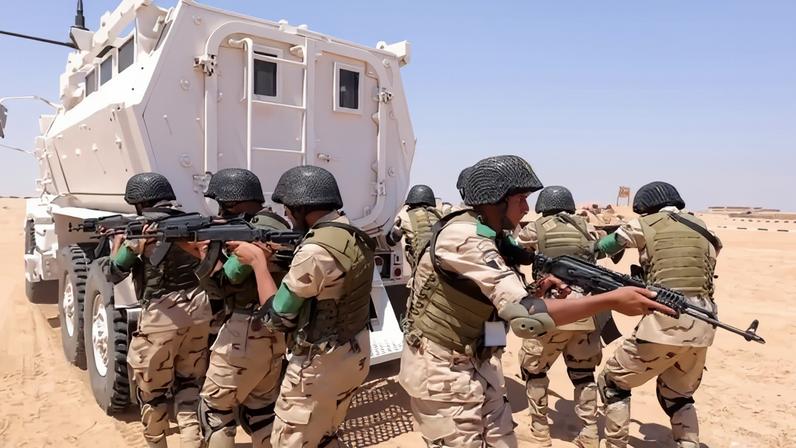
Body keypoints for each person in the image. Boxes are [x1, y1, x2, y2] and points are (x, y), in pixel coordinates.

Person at [398, 155, 673, 448]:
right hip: (442, 368)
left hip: (477, 359)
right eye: (521, 199)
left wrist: (535, 287)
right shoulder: (466, 237)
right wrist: (612, 300)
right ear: (495, 200)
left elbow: (492, 291)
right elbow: (526, 318)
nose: (527, 208)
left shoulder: (491, 234)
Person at [238, 165, 375, 447]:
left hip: (318, 367)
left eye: (289, 209)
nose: (286, 215)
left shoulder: (314, 251)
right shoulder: (351, 233)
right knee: (325, 435)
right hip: (352, 356)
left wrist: (257, 262)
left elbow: (276, 318)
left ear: (302, 207)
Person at [593, 181, 722, 448]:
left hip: (665, 321)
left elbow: (605, 246)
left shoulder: (644, 224)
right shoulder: (703, 228)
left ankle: (615, 443)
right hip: (705, 322)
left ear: (645, 207)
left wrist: (597, 240)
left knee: (614, 381)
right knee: (678, 394)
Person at [108, 172, 212, 448]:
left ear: (140, 203)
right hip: (199, 310)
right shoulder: (194, 221)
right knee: (189, 387)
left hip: (161, 315)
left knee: (152, 393)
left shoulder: (143, 228)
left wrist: (119, 241)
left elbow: (114, 272)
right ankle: (192, 441)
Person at [195, 168, 289, 448]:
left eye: (221, 204)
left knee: (215, 411)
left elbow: (229, 280)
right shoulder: (277, 224)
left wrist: (205, 256)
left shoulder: (254, 232)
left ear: (232, 203)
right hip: (273, 332)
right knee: (262, 411)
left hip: (245, 333)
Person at [515, 185, 604, 448]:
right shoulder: (585, 227)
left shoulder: (536, 228)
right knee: (584, 375)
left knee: (535, 371)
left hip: (548, 312)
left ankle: (540, 430)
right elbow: (600, 248)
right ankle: (590, 433)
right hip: (585, 311)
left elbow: (518, 248)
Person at [386, 184, 443, 269]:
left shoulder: (404, 215)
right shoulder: (438, 216)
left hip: (422, 264)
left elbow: (392, 241)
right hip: (441, 262)